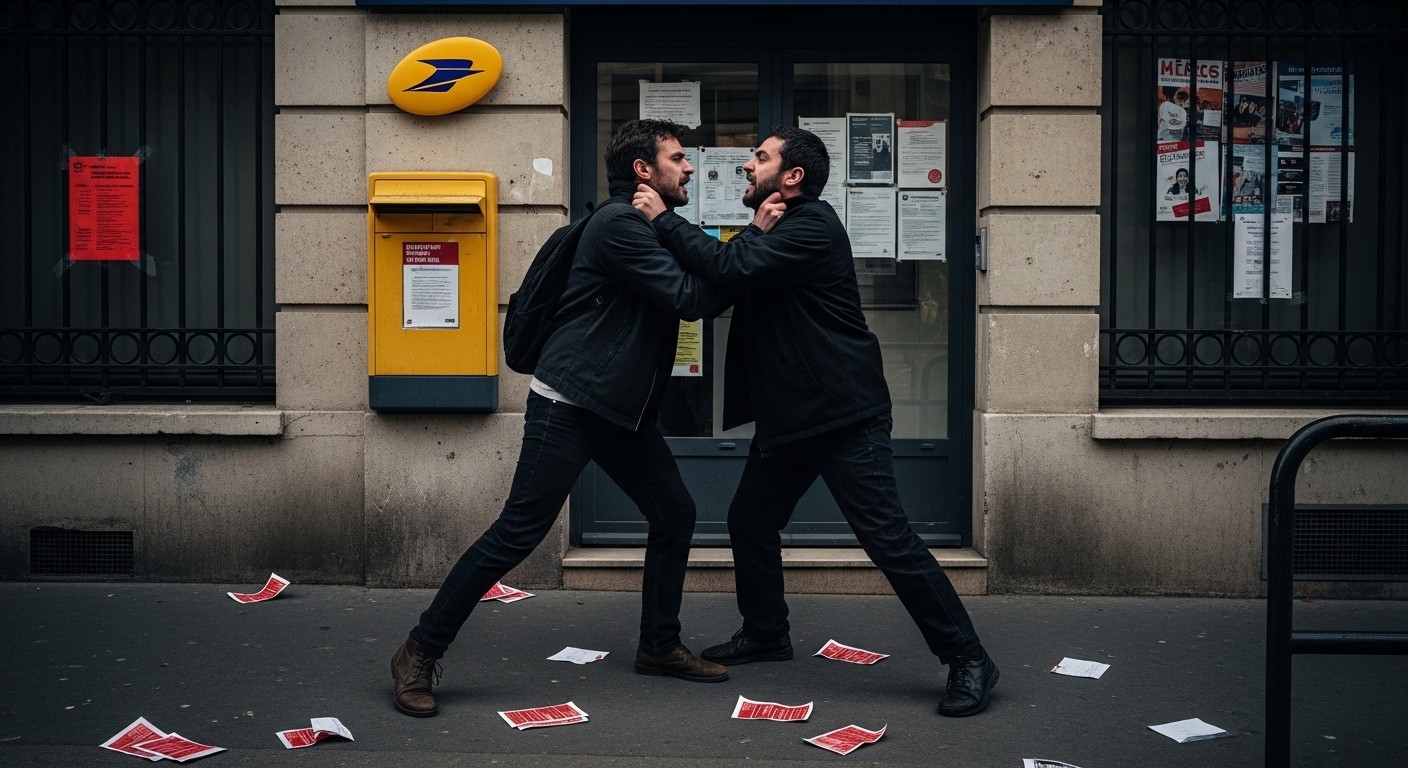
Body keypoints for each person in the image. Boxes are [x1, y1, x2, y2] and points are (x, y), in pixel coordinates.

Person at [632, 125, 999, 718]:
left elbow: (728, 267)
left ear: (793, 176)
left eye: (760, 157)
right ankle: (767, 632)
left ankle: (968, 657)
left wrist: (662, 220)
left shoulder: (811, 227)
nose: (747, 167)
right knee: (750, 521)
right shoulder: (778, 226)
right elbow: (735, 264)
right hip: (791, 420)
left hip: (842, 415)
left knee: (888, 539)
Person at [390, 118, 737, 718]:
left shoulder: (643, 225)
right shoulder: (621, 225)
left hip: (616, 409)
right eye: (678, 158)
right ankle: (417, 651)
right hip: (571, 402)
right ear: (643, 171)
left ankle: (658, 645)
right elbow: (691, 298)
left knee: (673, 512)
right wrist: (749, 242)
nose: (688, 168)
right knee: (517, 533)